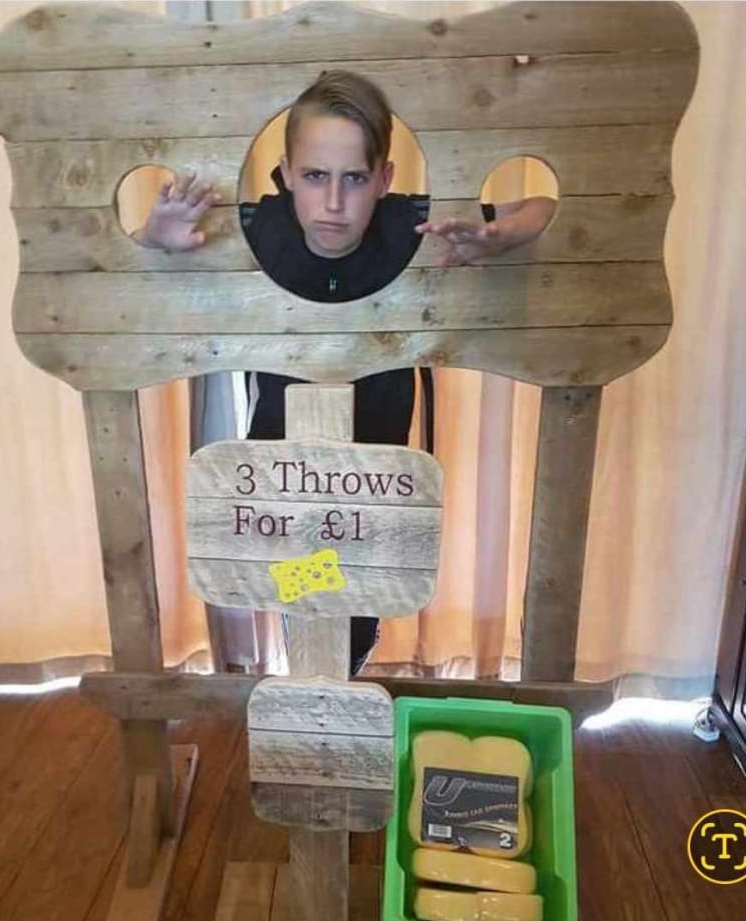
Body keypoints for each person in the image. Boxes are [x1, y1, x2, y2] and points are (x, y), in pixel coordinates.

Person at [132, 70, 555, 675]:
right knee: (305, 602)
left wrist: (498, 236)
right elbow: (117, 262)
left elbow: (544, 208)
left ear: (384, 178)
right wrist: (155, 241)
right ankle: (316, 688)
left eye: (354, 178)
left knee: (355, 616)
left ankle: (339, 678)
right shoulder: (259, 228)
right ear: (286, 174)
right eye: (314, 176)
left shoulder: (409, 224)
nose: (333, 203)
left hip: (374, 481)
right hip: (281, 478)